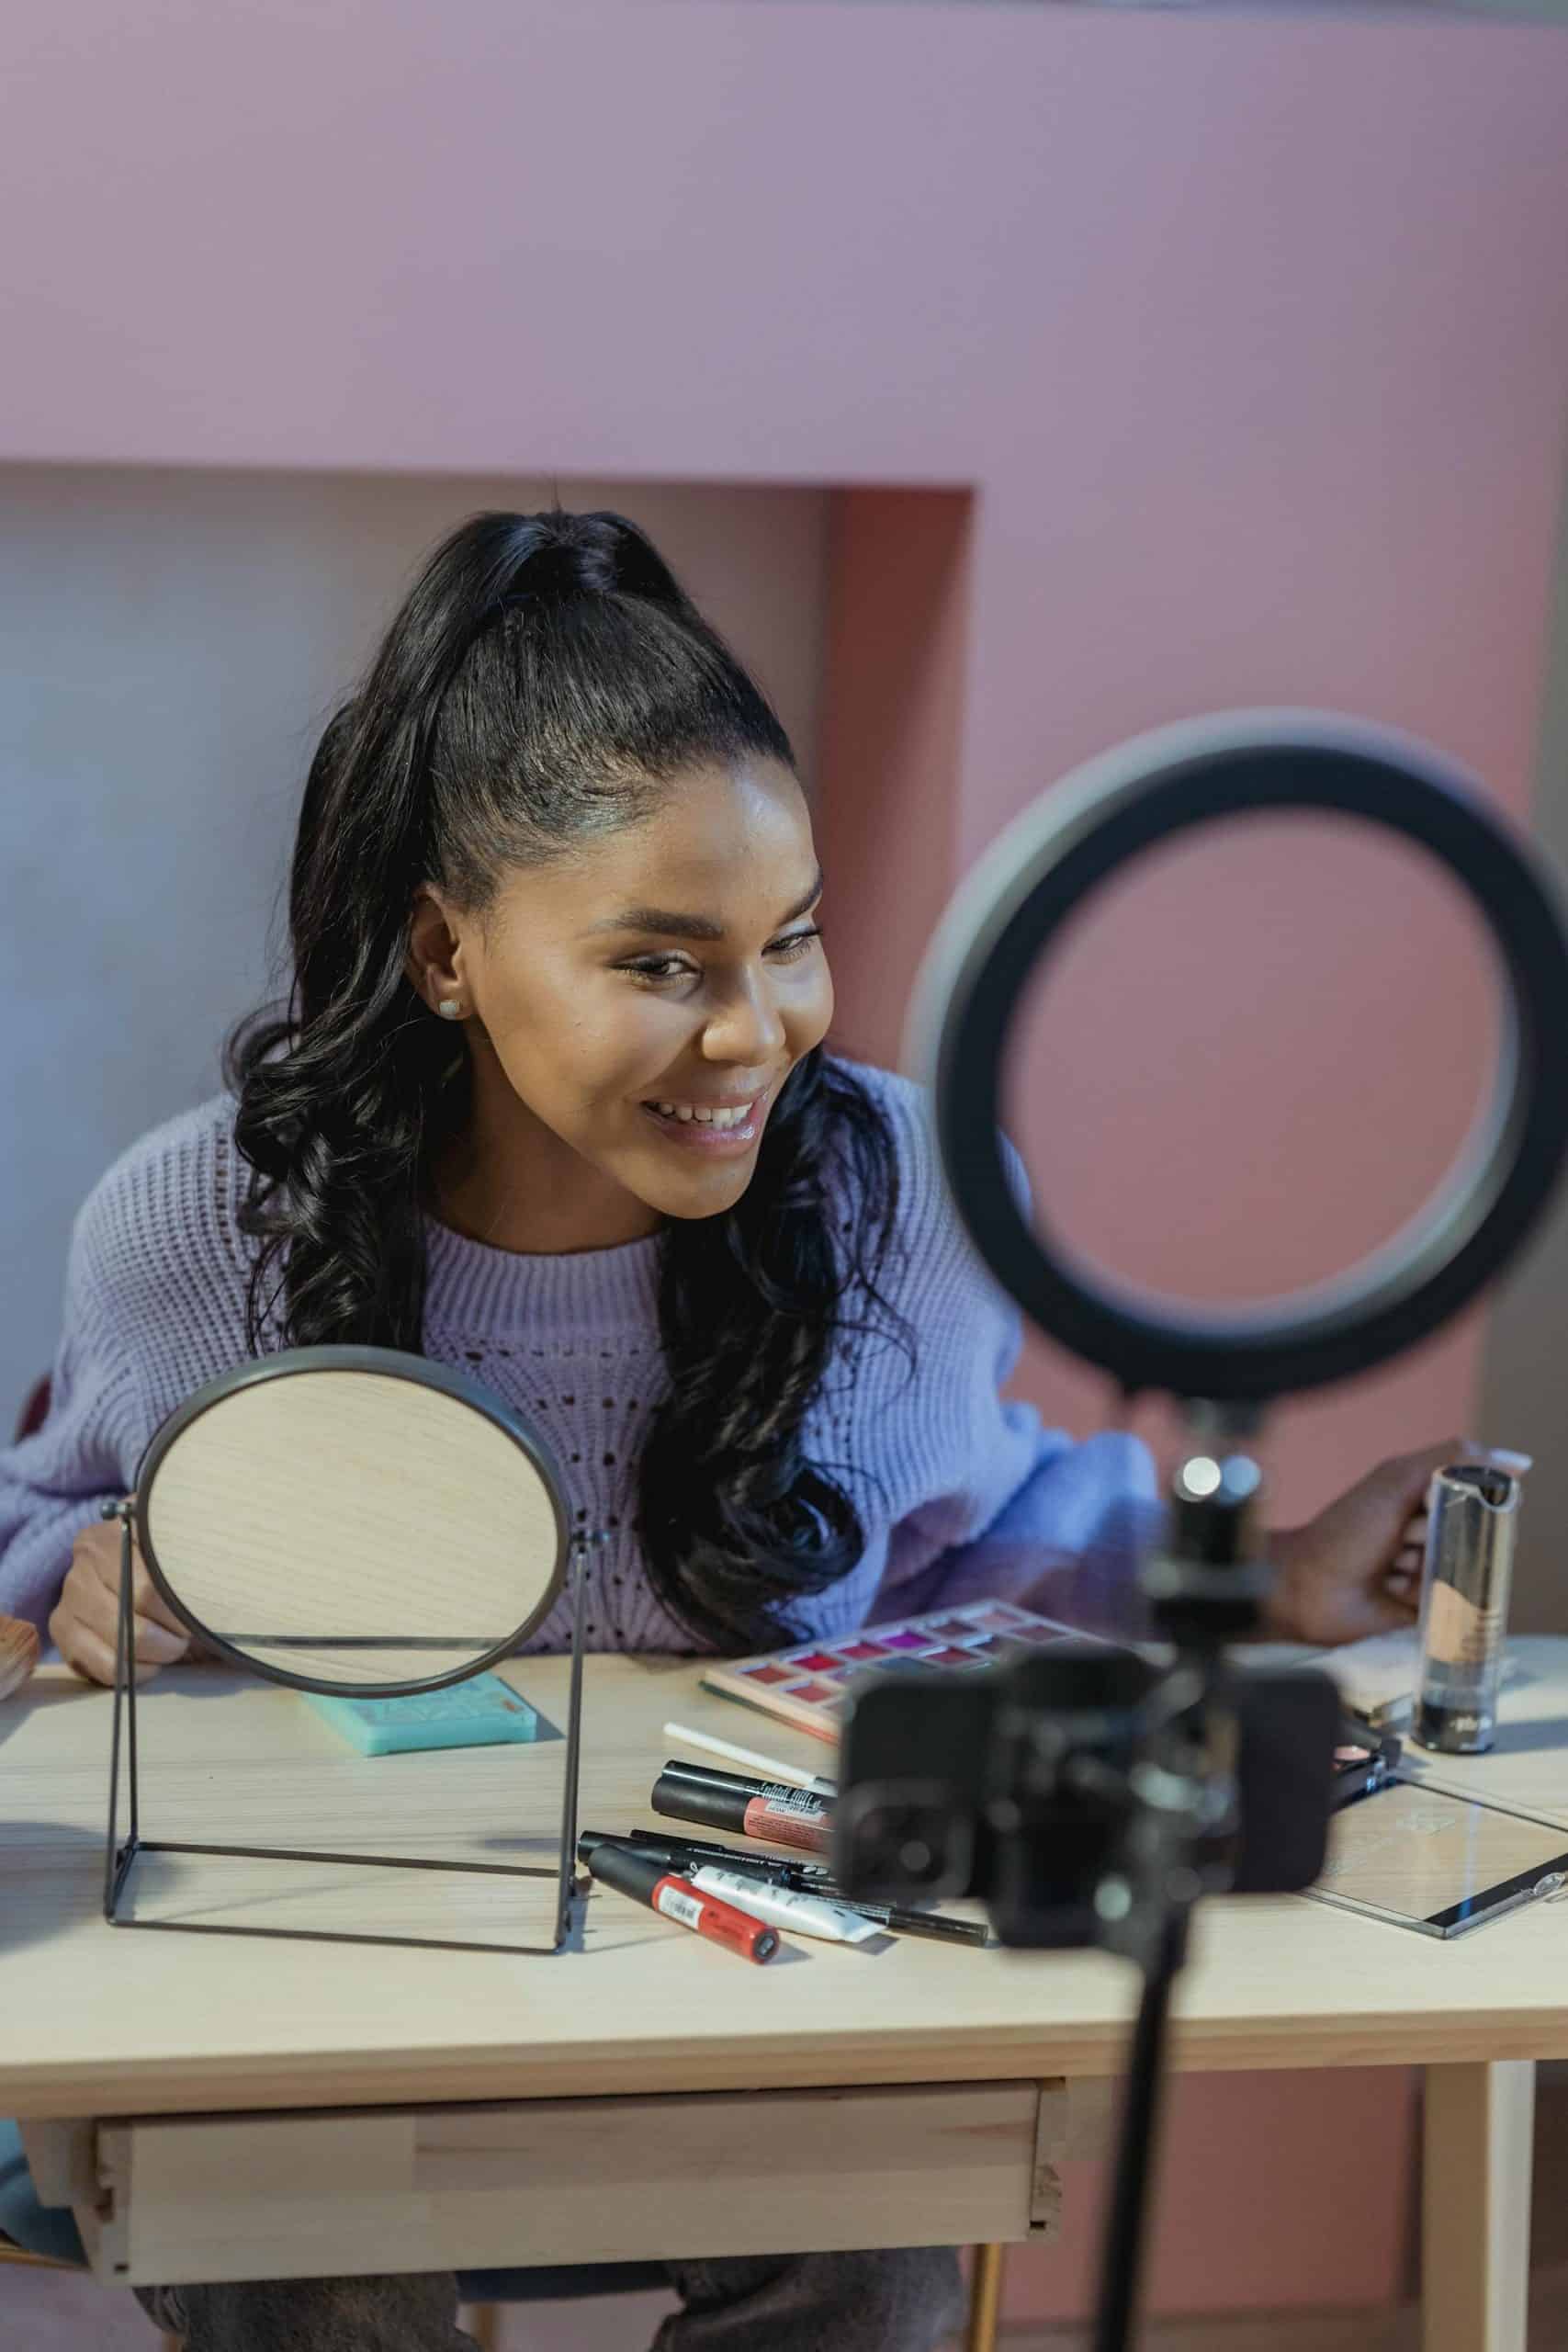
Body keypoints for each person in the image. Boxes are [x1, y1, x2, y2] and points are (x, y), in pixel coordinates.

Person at [0, 509, 1461, 2351]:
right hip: (316, 1969)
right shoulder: (201, 1223)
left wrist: (1265, 1573)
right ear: (444, 951)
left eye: (790, 940)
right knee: (300, 2237)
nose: (754, 1030)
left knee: (873, 2244)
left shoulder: (904, 1195)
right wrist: (84, 1590)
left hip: (730, 1972)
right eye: (663, 961)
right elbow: (36, 1530)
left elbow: (975, 1530)